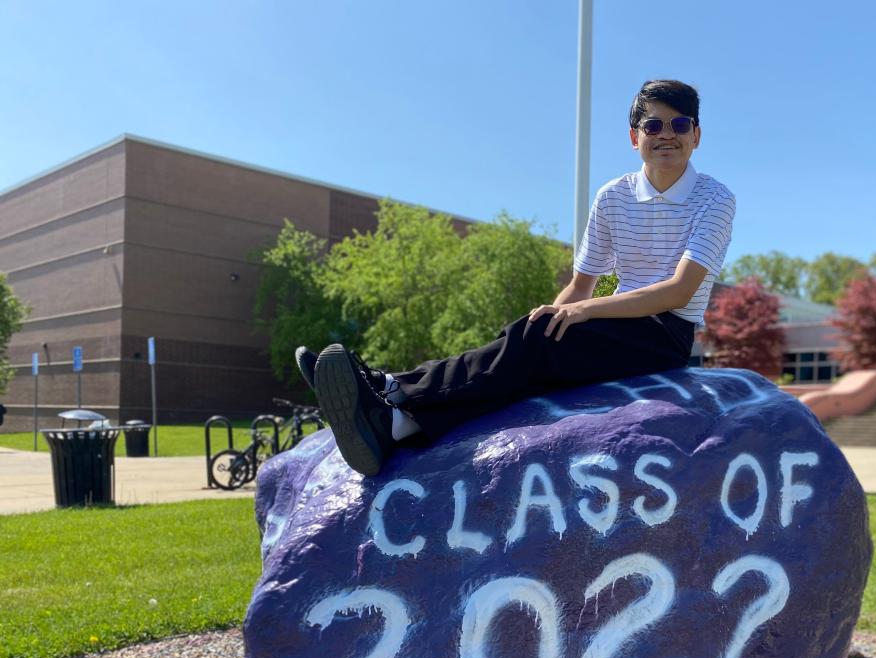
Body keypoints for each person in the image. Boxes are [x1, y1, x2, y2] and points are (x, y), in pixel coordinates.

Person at [297, 79, 735, 476]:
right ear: (634, 136)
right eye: (654, 125)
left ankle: (391, 389)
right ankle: (399, 420)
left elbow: (679, 291)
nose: (667, 135)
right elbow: (580, 286)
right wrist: (548, 317)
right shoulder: (613, 196)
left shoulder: (715, 198)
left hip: (665, 335)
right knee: (531, 336)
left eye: (679, 124)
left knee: (535, 344)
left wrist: (578, 312)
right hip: (619, 322)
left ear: (696, 135)